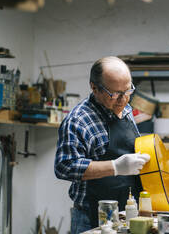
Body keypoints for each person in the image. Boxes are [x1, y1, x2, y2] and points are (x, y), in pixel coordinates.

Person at [54, 56, 150, 234]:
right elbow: (64, 166)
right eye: (114, 94)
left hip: (128, 215)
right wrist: (115, 166)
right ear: (94, 87)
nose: (123, 100)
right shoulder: (78, 120)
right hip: (92, 219)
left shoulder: (126, 109)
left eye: (128, 91)